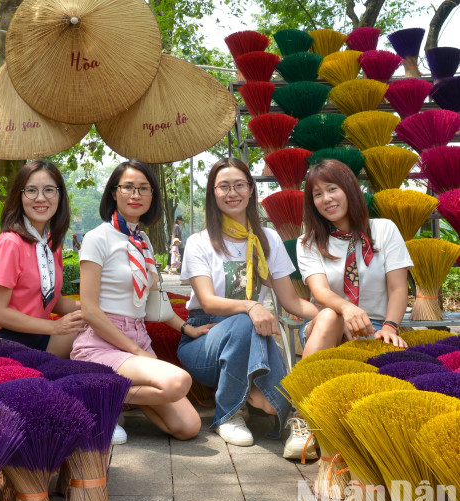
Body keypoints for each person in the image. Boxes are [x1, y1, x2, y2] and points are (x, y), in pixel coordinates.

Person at [176, 157, 319, 455]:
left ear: (251, 189)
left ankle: (284, 414)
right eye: (224, 186)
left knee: (267, 400)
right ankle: (230, 413)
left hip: (256, 331)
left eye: (240, 185)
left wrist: (331, 314)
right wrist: (251, 306)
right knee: (246, 320)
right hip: (204, 338)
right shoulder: (199, 242)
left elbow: (289, 301)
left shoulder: (269, 239)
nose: (232, 193)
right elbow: (207, 300)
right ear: (213, 193)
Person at [73, 159, 210, 443]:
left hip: (137, 334)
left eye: (143, 189)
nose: (135, 195)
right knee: (178, 381)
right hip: (102, 341)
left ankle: (107, 397)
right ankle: (92, 392)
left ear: (152, 196)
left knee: (188, 427)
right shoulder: (97, 238)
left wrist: (188, 329)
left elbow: (152, 302)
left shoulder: (142, 241)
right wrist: (136, 351)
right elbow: (89, 310)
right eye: (128, 188)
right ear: (114, 192)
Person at [297, 159, 411, 357]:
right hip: (327, 328)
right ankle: (304, 385)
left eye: (332, 189)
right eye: (317, 194)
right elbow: (320, 291)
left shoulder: (384, 229)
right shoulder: (308, 242)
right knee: (330, 316)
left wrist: (390, 327)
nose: (326, 198)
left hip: (377, 327)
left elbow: (398, 288)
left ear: (349, 189)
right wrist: (346, 310)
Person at [0, 160, 83, 357]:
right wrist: (53, 327)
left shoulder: (51, 245)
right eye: (31, 190)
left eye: (49, 190)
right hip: (6, 340)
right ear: (19, 197)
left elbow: (51, 301)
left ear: (59, 195)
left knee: (98, 327)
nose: (40, 198)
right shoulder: (10, 244)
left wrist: (95, 308)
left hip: (39, 336)